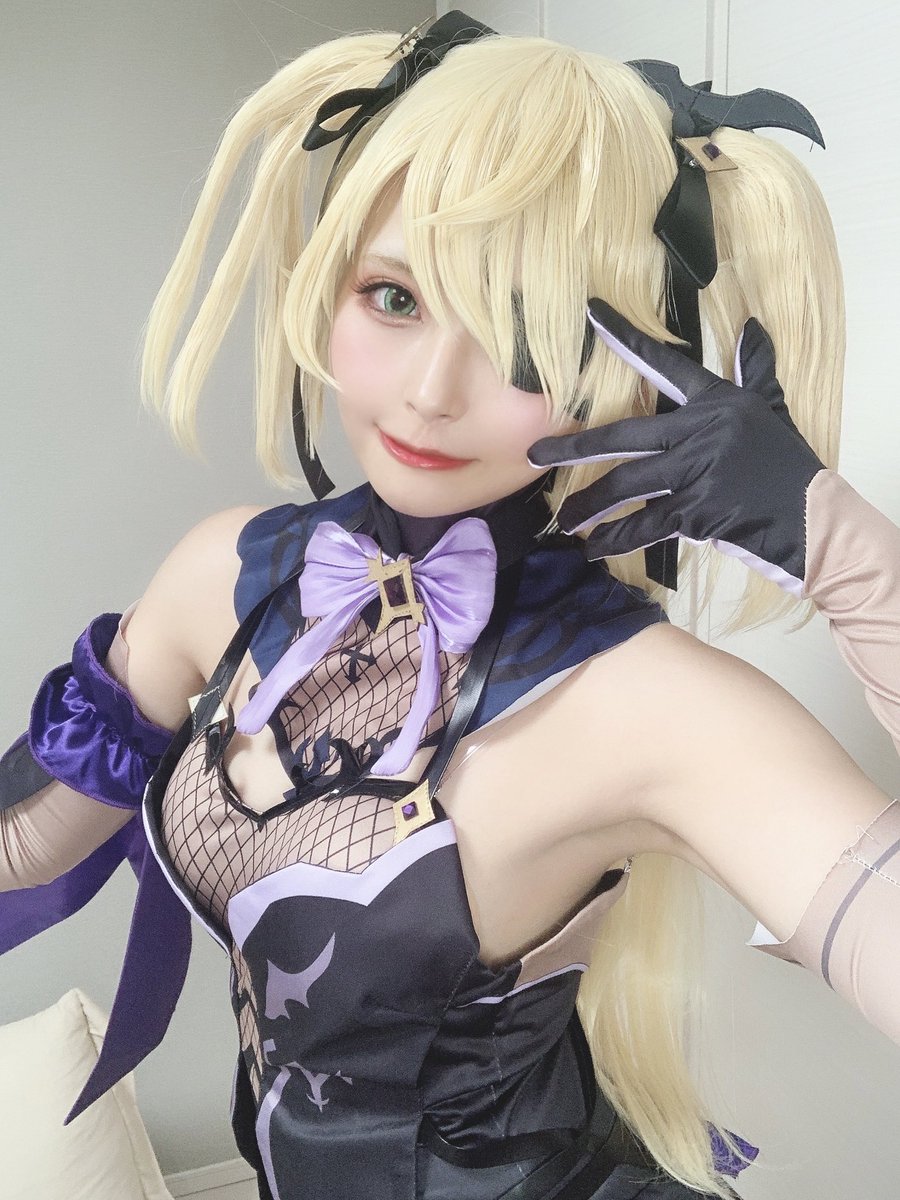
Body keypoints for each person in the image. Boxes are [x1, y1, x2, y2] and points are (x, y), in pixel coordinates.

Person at [1, 11, 898, 1200]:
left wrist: (846, 550)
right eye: (394, 297)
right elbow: (24, 849)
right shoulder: (227, 576)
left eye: (528, 338)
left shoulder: (650, 702)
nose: (431, 391)